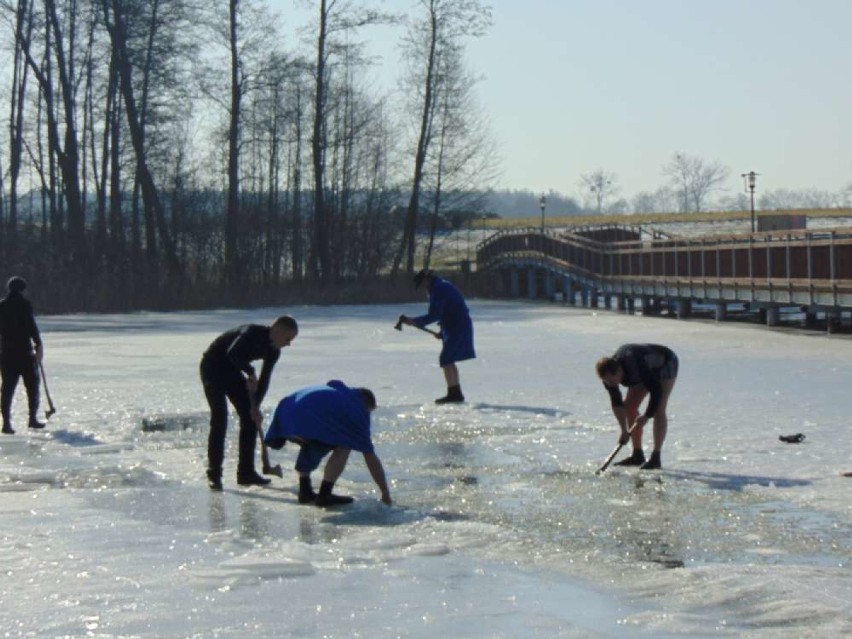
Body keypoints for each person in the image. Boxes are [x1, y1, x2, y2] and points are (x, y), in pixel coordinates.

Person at [200, 315, 298, 490]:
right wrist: (250, 371)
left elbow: (264, 380)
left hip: (233, 372)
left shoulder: (274, 351)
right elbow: (233, 352)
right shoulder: (250, 332)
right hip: (212, 367)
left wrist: (255, 407)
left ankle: (246, 473)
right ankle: (214, 474)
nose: (289, 344)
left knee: (250, 419)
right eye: (288, 339)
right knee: (220, 419)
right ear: (277, 330)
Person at [264, 380, 391, 507]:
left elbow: (331, 384)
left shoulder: (339, 393)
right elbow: (369, 456)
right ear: (367, 405)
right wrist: (385, 491)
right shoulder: (356, 410)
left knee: (314, 441)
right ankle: (325, 494)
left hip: (283, 414)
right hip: (305, 418)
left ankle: (305, 490)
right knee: (345, 443)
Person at [595, 343, 679, 470]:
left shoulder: (635, 364)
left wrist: (646, 416)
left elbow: (656, 390)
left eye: (612, 381)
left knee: (659, 409)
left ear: (619, 371)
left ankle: (656, 457)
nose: (611, 384)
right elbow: (617, 403)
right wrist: (623, 430)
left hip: (665, 363)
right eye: (607, 382)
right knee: (629, 407)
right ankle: (637, 454)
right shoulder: (608, 377)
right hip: (642, 373)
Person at [399, 269, 475, 404]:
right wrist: (443, 331)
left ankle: (455, 393)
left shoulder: (439, 289)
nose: (422, 287)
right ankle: (455, 392)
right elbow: (444, 312)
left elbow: (434, 314)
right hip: (453, 325)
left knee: (446, 358)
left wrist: (415, 321)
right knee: (448, 358)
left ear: (427, 279)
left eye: (421, 284)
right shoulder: (439, 286)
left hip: (458, 325)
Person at [0, 276, 45, 434]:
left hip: (6, 354)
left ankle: (6, 423)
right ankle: (32, 419)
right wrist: (38, 344)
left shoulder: (2, 306)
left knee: (7, 389)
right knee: (32, 387)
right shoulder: (25, 305)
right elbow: (31, 326)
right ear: (22, 289)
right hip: (24, 353)